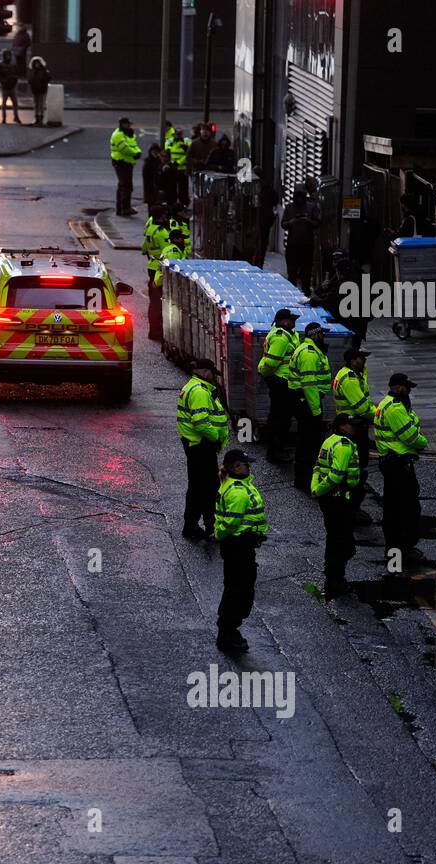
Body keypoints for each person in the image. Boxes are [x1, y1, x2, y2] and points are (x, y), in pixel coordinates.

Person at [214, 448, 267, 654]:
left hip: (240, 545)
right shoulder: (237, 492)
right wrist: (220, 534)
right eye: (245, 464)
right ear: (235, 467)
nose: (249, 466)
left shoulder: (239, 485)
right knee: (239, 590)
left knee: (237, 588)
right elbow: (230, 523)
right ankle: (228, 633)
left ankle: (228, 629)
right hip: (238, 546)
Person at [374, 372, 429, 566]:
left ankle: (395, 551)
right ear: (397, 387)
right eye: (407, 387)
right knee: (406, 508)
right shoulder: (396, 409)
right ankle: (400, 551)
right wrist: (423, 442)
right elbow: (412, 436)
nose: (409, 391)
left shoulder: (386, 404)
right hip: (398, 464)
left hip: (391, 462)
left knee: (394, 507)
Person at [177, 357, 230, 541]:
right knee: (207, 488)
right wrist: (216, 438)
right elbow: (201, 424)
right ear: (206, 372)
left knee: (199, 487)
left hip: (198, 445)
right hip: (202, 445)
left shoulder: (195, 387)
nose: (214, 378)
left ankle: (195, 525)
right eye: (213, 374)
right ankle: (205, 526)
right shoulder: (200, 391)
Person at [311, 414, 363, 597]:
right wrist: (320, 491)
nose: (355, 428)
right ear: (342, 426)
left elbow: (317, 469)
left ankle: (333, 576)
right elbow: (336, 475)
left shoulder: (330, 440)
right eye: (352, 425)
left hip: (331, 500)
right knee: (341, 543)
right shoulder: (343, 446)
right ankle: (335, 579)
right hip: (339, 500)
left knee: (335, 539)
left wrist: (316, 489)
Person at [288, 321, 331, 491]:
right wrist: (316, 411)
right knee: (308, 442)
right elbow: (309, 385)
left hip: (305, 401)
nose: (323, 336)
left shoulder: (311, 350)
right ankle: (303, 479)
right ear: (314, 334)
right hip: (307, 403)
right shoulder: (309, 354)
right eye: (322, 333)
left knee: (308, 441)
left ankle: (305, 477)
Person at [331, 347, 374, 521]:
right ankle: (351, 509)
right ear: (352, 360)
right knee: (356, 470)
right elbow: (362, 407)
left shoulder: (352, 375)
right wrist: (380, 417)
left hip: (353, 427)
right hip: (352, 428)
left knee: (355, 468)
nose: (364, 361)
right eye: (361, 358)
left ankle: (350, 507)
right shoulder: (348, 379)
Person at [257, 308, 299, 463]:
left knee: (280, 417)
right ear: (283, 321)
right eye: (291, 320)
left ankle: (276, 449)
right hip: (281, 382)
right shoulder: (281, 337)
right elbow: (271, 362)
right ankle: (275, 452)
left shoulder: (287, 334)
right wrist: (268, 376)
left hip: (282, 381)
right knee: (280, 418)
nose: (294, 322)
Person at [142, 204, 169, 340]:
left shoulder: (149, 226)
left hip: (152, 265)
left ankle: (154, 330)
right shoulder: (161, 232)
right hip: (160, 268)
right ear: (159, 216)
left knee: (154, 301)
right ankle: (158, 331)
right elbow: (167, 251)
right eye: (164, 215)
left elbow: (144, 247)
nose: (166, 217)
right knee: (159, 302)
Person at [283, 188, 318, 293]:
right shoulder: (289, 208)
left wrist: (308, 221)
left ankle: (305, 293)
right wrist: (291, 222)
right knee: (292, 273)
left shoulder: (311, 207)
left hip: (306, 245)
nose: (299, 199)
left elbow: (317, 223)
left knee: (306, 274)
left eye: (301, 196)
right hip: (293, 245)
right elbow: (283, 224)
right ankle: (291, 293)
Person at [109, 116, 142, 216]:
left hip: (127, 163)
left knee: (123, 185)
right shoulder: (118, 135)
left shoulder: (127, 134)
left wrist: (138, 152)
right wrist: (135, 154)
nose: (129, 126)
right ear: (122, 124)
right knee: (126, 186)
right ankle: (125, 209)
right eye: (127, 124)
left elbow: (133, 146)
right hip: (121, 162)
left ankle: (121, 209)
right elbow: (124, 148)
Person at [252, 167, 278, 268]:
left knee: (255, 244)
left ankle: (255, 263)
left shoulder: (253, 187)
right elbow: (275, 200)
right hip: (266, 220)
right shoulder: (268, 188)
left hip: (256, 220)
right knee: (263, 243)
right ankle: (260, 263)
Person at [0, 50, 23, 124]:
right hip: (5, 87)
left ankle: (16, 116)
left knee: (15, 103)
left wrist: (15, 79)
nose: (8, 57)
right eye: (6, 55)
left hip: (12, 86)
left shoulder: (13, 64)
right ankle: (4, 118)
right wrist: (2, 80)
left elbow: (17, 73)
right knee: (4, 103)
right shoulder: (0, 64)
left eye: (9, 55)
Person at [27, 56, 51, 126]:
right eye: (35, 63)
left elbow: (48, 78)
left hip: (41, 90)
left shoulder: (43, 71)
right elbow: (30, 80)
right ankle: (37, 118)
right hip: (35, 90)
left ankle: (41, 119)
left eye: (38, 63)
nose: (37, 65)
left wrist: (43, 83)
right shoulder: (34, 71)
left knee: (41, 104)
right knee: (36, 104)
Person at [142, 143, 163, 208]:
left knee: (156, 204)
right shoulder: (148, 161)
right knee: (151, 204)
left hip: (156, 186)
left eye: (157, 151)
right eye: (154, 151)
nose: (156, 153)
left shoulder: (158, 160)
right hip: (151, 186)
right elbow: (146, 176)